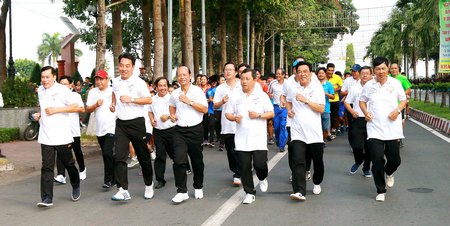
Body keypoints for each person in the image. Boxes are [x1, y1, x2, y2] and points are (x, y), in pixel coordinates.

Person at [359, 57, 407, 202]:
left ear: (388, 69)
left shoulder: (396, 83)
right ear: (374, 70)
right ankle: (380, 190)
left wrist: (397, 111)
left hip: (392, 128)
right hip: (374, 128)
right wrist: (366, 112)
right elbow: (362, 101)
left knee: (395, 160)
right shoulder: (369, 85)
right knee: (377, 159)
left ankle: (389, 172)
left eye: (383, 69)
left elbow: (403, 100)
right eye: (378, 69)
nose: (381, 71)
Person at [109, 52, 154, 201]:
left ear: (133, 67)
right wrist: (113, 103)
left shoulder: (139, 82)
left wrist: (132, 99)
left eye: (127, 66)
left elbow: (148, 99)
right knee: (119, 157)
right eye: (121, 65)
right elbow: (115, 92)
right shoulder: (115, 81)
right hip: (121, 124)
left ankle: (149, 184)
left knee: (143, 157)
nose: (124, 68)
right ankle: (123, 190)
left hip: (136, 123)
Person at [225, 68, 274, 204]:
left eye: (247, 79)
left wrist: (258, 115)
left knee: (260, 165)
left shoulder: (261, 95)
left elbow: (271, 113)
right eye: (242, 79)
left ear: (254, 80)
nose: (244, 81)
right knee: (244, 167)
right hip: (241, 139)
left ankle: (262, 177)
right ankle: (249, 192)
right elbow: (227, 114)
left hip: (258, 139)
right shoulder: (235, 95)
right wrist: (234, 118)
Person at [35, 66, 81, 207]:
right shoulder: (40, 90)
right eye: (43, 77)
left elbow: (78, 107)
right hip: (46, 135)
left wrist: (57, 110)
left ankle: (76, 184)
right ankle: (47, 198)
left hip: (62, 136)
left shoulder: (62, 90)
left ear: (54, 77)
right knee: (47, 167)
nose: (44, 80)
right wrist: (40, 115)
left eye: (47, 77)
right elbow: (44, 108)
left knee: (69, 164)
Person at [286, 61, 325, 201]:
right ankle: (299, 191)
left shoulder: (317, 88)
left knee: (318, 161)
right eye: (299, 71)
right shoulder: (292, 87)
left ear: (310, 73)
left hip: (314, 133)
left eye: (305, 71)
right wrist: (289, 110)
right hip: (297, 131)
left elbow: (321, 108)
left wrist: (306, 100)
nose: (302, 74)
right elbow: (288, 101)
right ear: (296, 73)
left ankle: (317, 181)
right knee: (298, 161)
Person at [169, 66, 208, 204]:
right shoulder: (174, 93)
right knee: (179, 160)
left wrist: (189, 101)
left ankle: (198, 186)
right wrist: (172, 115)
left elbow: (204, 109)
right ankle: (181, 191)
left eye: (184, 74)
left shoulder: (197, 91)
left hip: (195, 130)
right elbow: (172, 105)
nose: (182, 77)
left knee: (197, 161)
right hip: (179, 131)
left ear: (190, 76)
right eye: (179, 75)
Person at [86, 70, 117, 189]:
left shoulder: (113, 90)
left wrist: (114, 107)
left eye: (101, 79)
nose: (99, 81)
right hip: (100, 129)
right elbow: (88, 109)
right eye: (97, 79)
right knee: (107, 155)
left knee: (107, 152)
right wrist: (96, 105)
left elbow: (119, 104)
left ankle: (108, 180)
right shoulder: (93, 92)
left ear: (107, 79)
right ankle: (114, 177)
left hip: (112, 127)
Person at [54, 76, 86, 185]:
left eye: (65, 84)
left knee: (77, 151)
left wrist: (70, 108)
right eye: (61, 84)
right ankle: (61, 175)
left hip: (73, 129)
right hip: (61, 129)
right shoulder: (57, 96)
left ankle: (82, 169)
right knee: (60, 152)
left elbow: (82, 109)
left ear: (71, 84)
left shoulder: (75, 96)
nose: (63, 86)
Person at [214, 62, 242, 186]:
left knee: (241, 149)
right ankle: (236, 170)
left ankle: (239, 173)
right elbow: (215, 105)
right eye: (226, 70)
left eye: (230, 69)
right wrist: (222, 101)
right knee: (231, 150)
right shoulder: (220, 88)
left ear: (235, 72)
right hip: (227, 124)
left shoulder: (242, 84)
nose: (228, 72)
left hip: (242, 123)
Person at [344, 66, 373, 177]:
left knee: (370, 146)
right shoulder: (354, 87)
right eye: (363, 73)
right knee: (357, 145)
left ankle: (366, 168)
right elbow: (347, 102)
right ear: (360, 75)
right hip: (357, 119)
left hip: (371, 120)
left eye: (367, 73)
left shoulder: (374, 87)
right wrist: (352, 112)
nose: (365, 75)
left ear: (371, 75)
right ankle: (358, 161)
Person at [149, 77, 176, 189]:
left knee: (175, 155)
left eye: (165, 85)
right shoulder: (152, 99)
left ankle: (182, 168)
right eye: (160, 85)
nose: (163, 88)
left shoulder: (172, 98)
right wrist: (152, 119)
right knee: (160, 156)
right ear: (156, 87)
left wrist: (168, 116)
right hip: (158, 132)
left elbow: (177, 114)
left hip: (172, 131)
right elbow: (149, 111)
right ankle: (160, 179)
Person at [269, 68, 288, 152]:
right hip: (276, 107)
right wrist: (271, 96)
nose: (278, 75)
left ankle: (282, 145)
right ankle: (278, 138)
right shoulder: (272, 83)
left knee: (283, 125)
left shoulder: (288, 83)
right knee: (276, 127)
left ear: (283, 75)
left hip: (285, 108)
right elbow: (269, 93)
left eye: (280, 74)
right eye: (277, 74)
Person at [326, 63, 343, 136]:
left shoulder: (337, 78)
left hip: (335, 100)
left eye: (332, 70)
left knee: (334, 116)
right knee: (326, 116)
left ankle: (334, 128)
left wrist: (335, 89)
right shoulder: (322, 76)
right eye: (329, 70)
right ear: (326, 70)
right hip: (325, 100)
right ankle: (327, 130)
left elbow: (341, 86)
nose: (330, 72)